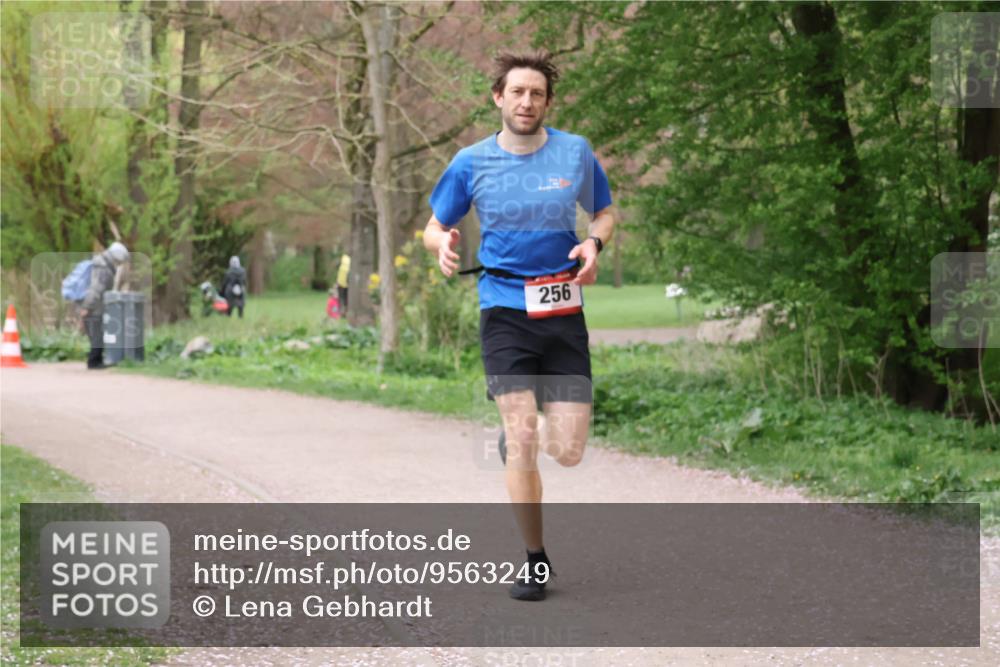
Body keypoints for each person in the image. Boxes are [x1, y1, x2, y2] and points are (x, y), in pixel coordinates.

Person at [423, 51, 615, 601]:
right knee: (525, 434)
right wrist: (443, 246)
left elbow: (603, 211)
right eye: (517, 92)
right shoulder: (471, 162)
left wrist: (593, 242)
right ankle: (534, 560)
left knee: (571, 449)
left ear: (546, 102)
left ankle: (520, 441)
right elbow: (434, 226)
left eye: (536, 93)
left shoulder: (574, 152)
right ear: (498, 98)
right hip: (503, 308)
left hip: (561, 308)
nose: (526, 101)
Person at [80, 242, 130, 369]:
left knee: (96, 333)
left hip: (93, 304)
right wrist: (87, 306)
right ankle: (94, 362)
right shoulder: (103, 268)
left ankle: (97, 360)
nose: (119, 264)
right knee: (97, 334)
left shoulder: (101, 264)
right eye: (120, 261)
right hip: (93, 305)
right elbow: (96, 289)